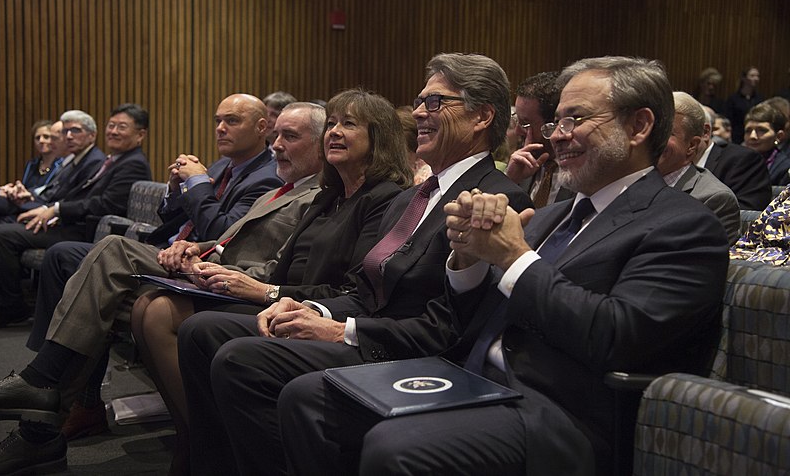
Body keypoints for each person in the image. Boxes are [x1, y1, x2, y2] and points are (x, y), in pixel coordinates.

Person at [278, 56, 730, 476]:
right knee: (308, 398)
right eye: (558, 121)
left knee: (397, 446)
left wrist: (514, 257)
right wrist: (467, 260)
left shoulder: (684, 226)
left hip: (560, 412)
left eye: (576, 119)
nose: (556, 135)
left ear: (639, 125)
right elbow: (469, 316)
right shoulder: (553, 216)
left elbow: (618, 336)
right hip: (471, 377)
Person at [176, 52, 531, 475]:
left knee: (241, 361)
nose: (418, 112)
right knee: (203, 330)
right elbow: (365, 289)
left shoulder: (497, 201)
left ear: (482, 117)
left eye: (435, 103)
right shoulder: (412, 197)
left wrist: (339, 329)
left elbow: (448, 326)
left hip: (410, 352)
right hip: (369, 327)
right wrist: (313, 309)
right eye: (419, 101)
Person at [131, 92, 410, 472]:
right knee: (185, 322)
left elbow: (353, 292)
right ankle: (208, 454)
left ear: (379, 138)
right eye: (331, 124)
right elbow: (279, 266)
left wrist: (266, 292)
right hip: (280, 300)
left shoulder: (384, 199)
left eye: (349, 124)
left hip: (320, 312)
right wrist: (217, 269)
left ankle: (221, 456)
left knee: (199, 328)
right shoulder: (329, 196)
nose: (335, 132)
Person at [23, 93, 282, 439]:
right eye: (218, 120)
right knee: (73, 265)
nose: (220, 128)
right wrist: (176, 189)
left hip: (200, 265)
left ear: (262, 127)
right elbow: (172, 217)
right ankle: (69, 403)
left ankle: (46, 391)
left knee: (109, 253)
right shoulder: (221, 167)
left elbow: (221, 234)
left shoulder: (267, 177)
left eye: (231, 121)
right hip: (166, 251)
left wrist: (198, 183)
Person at [0, 104, 152, 328]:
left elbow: (106, 205)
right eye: (111, 125)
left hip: (87, 231)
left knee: (3, 236)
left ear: (140, 134)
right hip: (70, 223)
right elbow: (75, 195)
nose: (113, 131)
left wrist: (56, 210)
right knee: (0, 229)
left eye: (121, 127)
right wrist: (45, 207)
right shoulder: (112, 160)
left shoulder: (133, 163)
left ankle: (12, 306)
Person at [658, 92, 740, 244]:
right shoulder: (628, 181)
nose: (652, 140)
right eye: (650, 130)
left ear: (691, 146)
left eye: (665, 133)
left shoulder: (714, 199)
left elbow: (699, 263)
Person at [505, 71, 574, 207]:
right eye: (516, 120)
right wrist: (510, 180)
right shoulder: (521, 165)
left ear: (552, 125)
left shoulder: (578, 170)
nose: (518, 130)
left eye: (525, 123)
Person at [695, 106, 772, 210]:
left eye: (672, 133)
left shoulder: (745, 160)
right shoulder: (669, 164)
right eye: (748, 131)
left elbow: (745, 214)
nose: (753, 136)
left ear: (705, 132)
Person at [0, 120, 65, 223]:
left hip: (40, 205)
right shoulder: (32, 164)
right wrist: (15, 190)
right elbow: (24, 187)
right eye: (37, 138)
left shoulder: (62, 165)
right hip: (22, 202)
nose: (41, 141)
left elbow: (52, 193)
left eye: (46, 137)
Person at [742, 102, 790, 186]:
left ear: (779, 136)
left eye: (761, 130)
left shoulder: (785, 168)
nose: (752, 136)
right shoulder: (735, 162)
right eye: (748, 131)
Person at [724, 66, 762, 143]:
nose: (756, 78)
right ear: (744, 78)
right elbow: (729, 119)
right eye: (752, 76)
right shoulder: (733, 99)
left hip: (754, 135)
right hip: (737, 137)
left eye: (757, 76)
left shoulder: (760, 99)